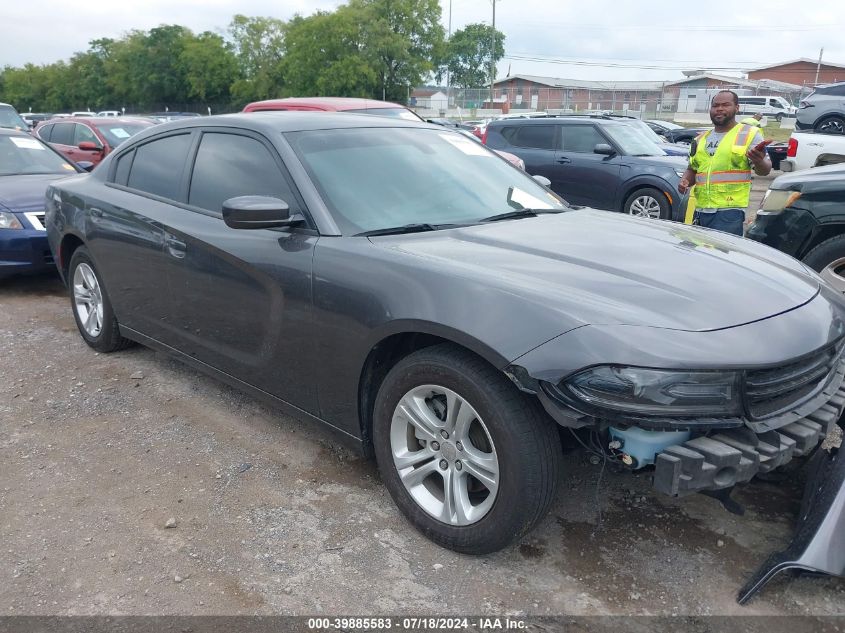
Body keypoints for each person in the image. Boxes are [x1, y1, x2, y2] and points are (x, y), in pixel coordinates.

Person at [678, 90, 771, 236]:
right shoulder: (700, 139)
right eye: (715, 105)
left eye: (726, 105)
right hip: (701, 210)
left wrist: (759, 161)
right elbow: (693, 168)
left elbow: (764, 170)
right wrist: (685, 181)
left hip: (729, 211)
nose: (719, 109)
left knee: (721, 255)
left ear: (737, 108)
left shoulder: (748, 134)